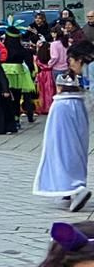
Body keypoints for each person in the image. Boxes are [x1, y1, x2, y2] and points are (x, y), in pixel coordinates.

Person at [34, 41, 94, 212]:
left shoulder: (91, 69)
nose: (70, 64)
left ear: (80, 59)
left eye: (71, 60)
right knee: (73, 149)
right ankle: (68, 189)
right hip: (75, 109)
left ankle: (73, 188)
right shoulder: (88, 71)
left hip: (66, 109)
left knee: (64, 149)